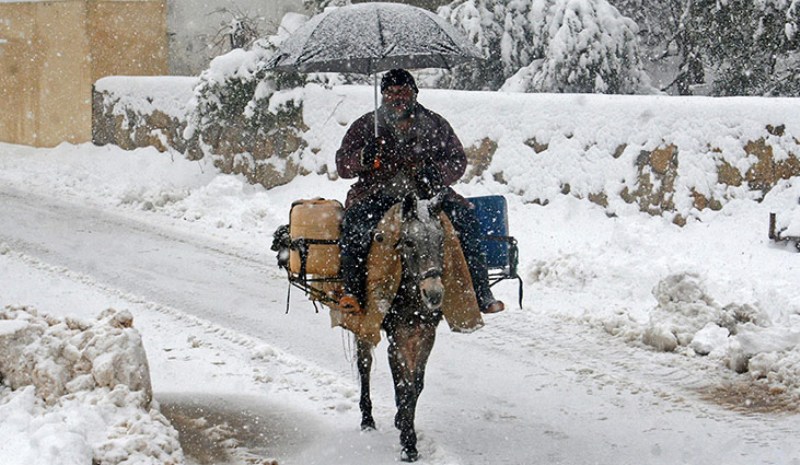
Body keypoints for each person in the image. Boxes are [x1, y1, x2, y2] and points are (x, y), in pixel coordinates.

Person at [335, 69, 504, 315]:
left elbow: (457, 160)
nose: (397, 97)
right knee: (355, 224)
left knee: (466, 219)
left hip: (428, 195)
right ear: (382, 96)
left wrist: (437, 173)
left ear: (414, 93)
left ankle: (480, 292)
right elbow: (342, 164)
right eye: (390, 93)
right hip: (378, 195)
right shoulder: (366, 126)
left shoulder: (435, 124)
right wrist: (363, 157)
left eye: (403, 91)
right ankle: (353, 292)